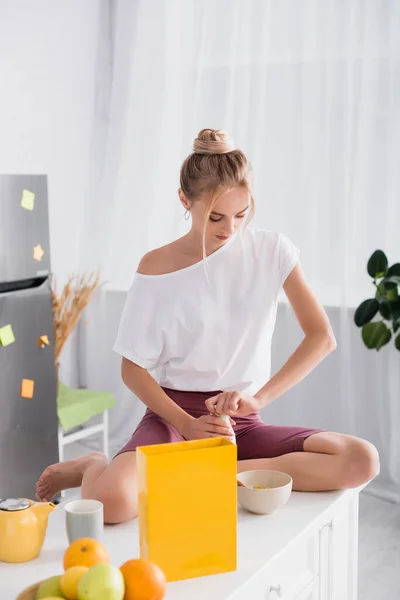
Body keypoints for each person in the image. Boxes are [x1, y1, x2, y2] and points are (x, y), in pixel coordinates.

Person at [36, 128, 379, 524]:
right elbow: (132, 369)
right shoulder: (155, 267)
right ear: (185, 200)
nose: (229, 229)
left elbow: (322, 337)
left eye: (241, 215)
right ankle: (94, 464)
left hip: (239, 423)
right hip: (174, 418)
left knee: (360, 460)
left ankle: (195, 477)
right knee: (113, 505)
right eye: (216, 216)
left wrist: (257, 401)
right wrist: (186, 424)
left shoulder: (272, 250)